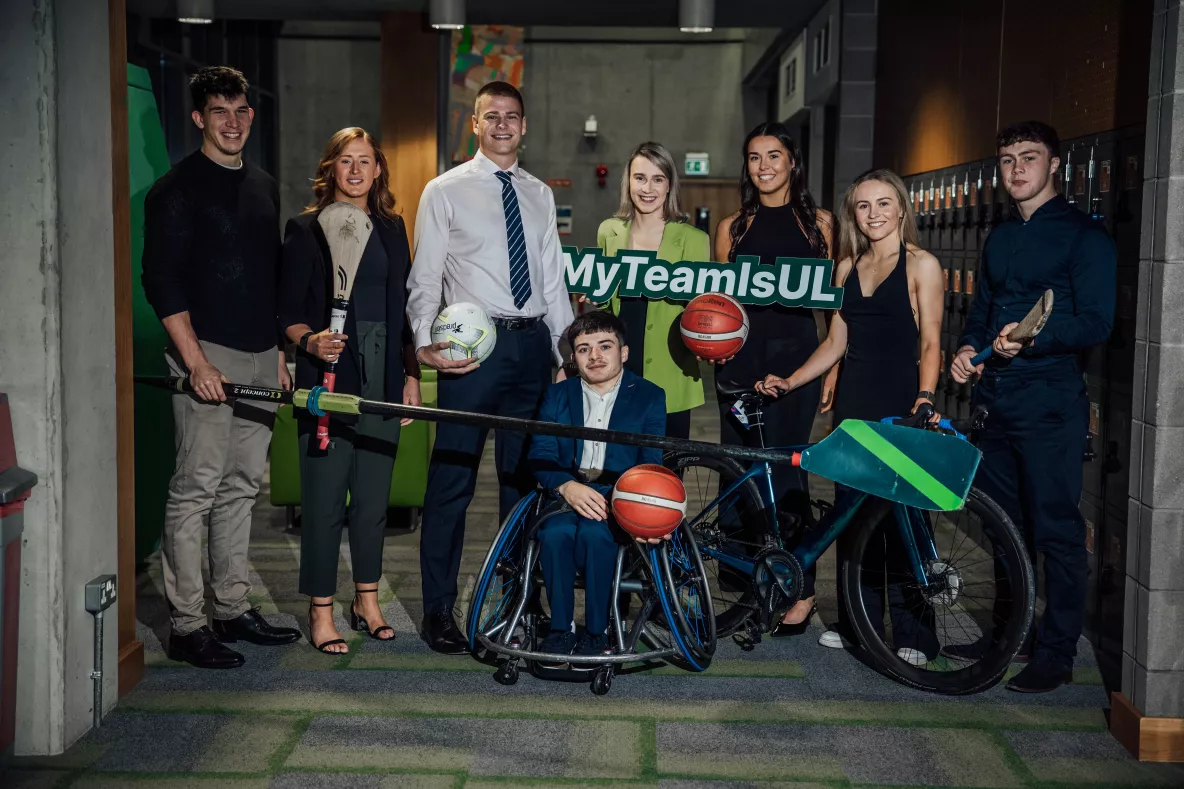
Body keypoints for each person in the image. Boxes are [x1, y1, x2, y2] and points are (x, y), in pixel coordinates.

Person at [141, 66, 300, 669]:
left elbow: (270, 280)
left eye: (240, 111)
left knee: (241, 487)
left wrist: (280, 355)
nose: (231, 122)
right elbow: (161, 281)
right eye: (219, 112)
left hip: (261, 353)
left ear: (250, 116)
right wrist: (196, 361)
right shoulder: (175, 190)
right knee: (196, 489)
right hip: (205, 353)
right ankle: (187, 624)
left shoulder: (262, 184)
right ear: (198, 117)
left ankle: (230, 608)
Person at [408, 81, 575, 654]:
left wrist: (564, 353)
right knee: (451, 483)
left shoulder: (538, 194)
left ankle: (515, 600)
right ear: (475, 124)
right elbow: (425, 276)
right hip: (471, 353)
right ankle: (438, 611)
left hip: (531, 349)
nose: (503, 125)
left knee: (522, 485)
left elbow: (552, 279)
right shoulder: (444, 190)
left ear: (524, 125)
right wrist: (422, 342)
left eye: (512, 116)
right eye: (491, 116)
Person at [950, 121, 1115, 692]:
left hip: (1049, 402)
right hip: (997, 398)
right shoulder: (998, 236)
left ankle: (1057, 653)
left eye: (1029, 158)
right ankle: (1010, 634)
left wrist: (1031, 340)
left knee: (1056, 531)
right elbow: (981, 309)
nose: (1016, 170)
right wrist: (968, 349)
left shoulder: (1084, 236)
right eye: (1007, 161)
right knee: (1004, 528)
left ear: (1055, 166)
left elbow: (1097, 321)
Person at [756, 169, 944, 662]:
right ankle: (858, 624)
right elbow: (836, 343)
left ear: (902, 208)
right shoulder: (845, 269)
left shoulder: (922, 265)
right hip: (853, 406)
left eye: (884, 204)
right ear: (853, 213)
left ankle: (914, 633)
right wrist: (793, 380)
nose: (875, 214)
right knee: (850, 516)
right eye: (864, 206)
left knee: (905, 518)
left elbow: (930, 341)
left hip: (902, 404)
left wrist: (925, 397)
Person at [278, 127, 421, 655]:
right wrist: (309, 341)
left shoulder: (390, 229)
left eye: (365, 161)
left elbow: (402, 310)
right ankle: (320, 609)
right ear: (331, 168)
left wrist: (411, 375)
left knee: (372, 502)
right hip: (330, 377)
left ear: (378, 169)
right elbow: (286, 311)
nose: (356, 170)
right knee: (322, 501)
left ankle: (366, 599)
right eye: (346, 161)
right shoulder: (304, 229)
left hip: (383, 373)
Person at [713, 122, 836, 632]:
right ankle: (747, 585)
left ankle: (799, 589)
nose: (763, 166)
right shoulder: (731, 228)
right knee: (740, 471)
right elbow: (719, 304)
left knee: (787, 475)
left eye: (773, 156)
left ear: (792, 162)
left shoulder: (821, 225)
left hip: (797, 361)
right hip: (742, 361)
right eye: (754, 158)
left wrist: (833, 368)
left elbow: (833, 306)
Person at [528, 311, 667, 664]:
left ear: (623, 352)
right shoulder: (558, 395)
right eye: (583, 349)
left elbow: (650, 461)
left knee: (596, 535)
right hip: (568, 486)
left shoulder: (649, 396)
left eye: (605, 346)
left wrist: (632, 502)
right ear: (573, 358)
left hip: (621, 492)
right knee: (556, 533)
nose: (595, 356)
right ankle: (560, 629)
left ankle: (596, 630)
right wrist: (566, 486)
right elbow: (541, 453)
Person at [596, 142, 712, 440]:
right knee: (619, 471)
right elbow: (606, 305)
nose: (648, 188)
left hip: (672, 370)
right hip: (618, 371)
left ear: (669, 185)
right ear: (628, 182)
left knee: (668, 475)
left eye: (657, 179)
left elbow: (701, 308)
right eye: (640, 178)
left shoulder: (693, 239)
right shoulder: (609, 231)